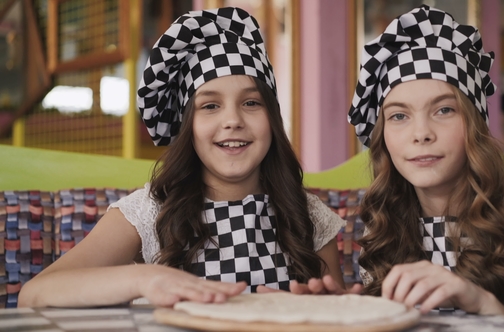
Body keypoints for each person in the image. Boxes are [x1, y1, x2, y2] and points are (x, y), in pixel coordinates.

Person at [17, 7, 345, 308]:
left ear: (273, 120)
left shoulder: (308, 214)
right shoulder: (149, 210)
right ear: (187, 127)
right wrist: (144, 278)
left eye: (251, 103)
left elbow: (337, 308)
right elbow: (35, 294)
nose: (232, 120)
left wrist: (330, 307)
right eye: (210, 106)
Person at [347, 5, 504, 320]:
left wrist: (482, 303)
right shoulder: (382, 223)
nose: (421, 133)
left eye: (444, 110)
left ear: (473, 124)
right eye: (399, 116)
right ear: (383, 137)